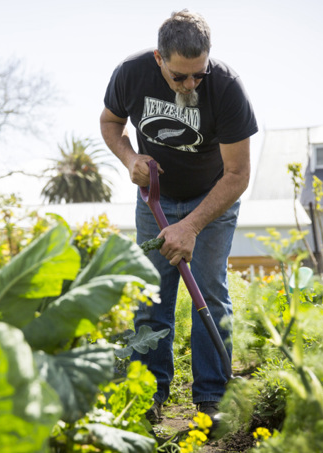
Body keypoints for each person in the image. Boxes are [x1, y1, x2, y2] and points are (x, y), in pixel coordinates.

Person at [99, 10, 257, 425]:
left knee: (210, 290)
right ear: (159, 59)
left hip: (213, 197)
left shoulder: (226, 88)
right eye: (180, 77)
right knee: (152, 295)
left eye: (198, 75)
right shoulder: (130, 74)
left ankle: (212, 398)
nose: (190, 85)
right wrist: (130, 158)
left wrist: (191, 225)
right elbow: (110, 122)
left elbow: (238, 174)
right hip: (156, 199)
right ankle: (150, 394)